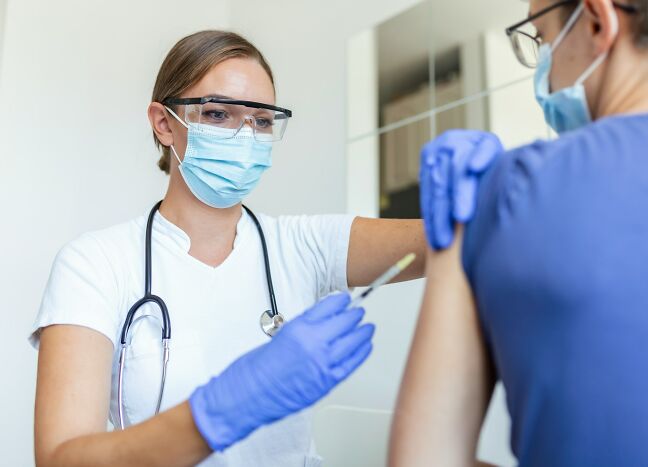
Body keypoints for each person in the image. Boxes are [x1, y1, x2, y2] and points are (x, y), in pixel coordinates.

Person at [31, 30, 426, 467]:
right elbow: (61, 459)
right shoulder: (95, 264)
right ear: (164, 124)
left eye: (261, 121)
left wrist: (484, 186)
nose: (245, 136)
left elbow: (438, 241)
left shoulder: (302, 245)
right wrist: (217, 413)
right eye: (218, 114)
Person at [390, 0, 648, 466]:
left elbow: (424, 460)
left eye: (543, 38)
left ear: (597, 20)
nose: (545, 68)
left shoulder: (499, 193)